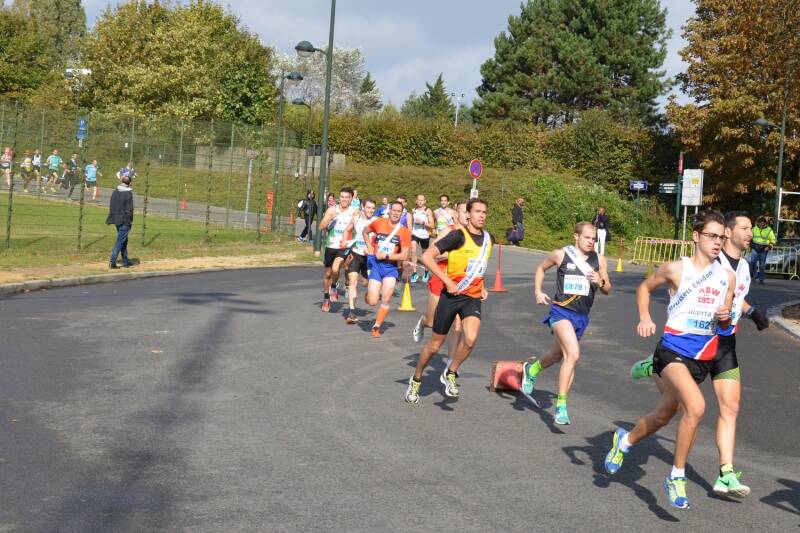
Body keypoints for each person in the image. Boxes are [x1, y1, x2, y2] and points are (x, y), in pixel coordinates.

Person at [629, 210, 771, 499]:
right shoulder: (703, 263)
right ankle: (655, 366)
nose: (750, 233)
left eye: (751, 229)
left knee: (730, 407)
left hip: (723, 345)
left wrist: (750, 312)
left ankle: (725, 473)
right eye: (745, 228)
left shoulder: (740, 269)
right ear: (728, 232)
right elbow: (656, 290)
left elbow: (734, 301)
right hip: (687, 346)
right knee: (683, 409)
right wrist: (645, 317)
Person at [603, 210, 736, 510]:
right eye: (712, 236)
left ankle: (623, 441)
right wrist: (644, 317)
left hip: (702, 357)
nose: (718, 243)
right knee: (697, 407)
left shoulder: (726, 277)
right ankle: (676, 476)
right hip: (672, 350)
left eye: (721, 238)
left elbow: (725, 325)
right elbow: (644, 289)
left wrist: (725, 319)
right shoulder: (676, 269)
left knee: (663, 416)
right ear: (696, 236)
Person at [522, 221, 612, 424]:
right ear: (576, 237)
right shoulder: (561, 254)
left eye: (594, 238)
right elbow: (540, 269)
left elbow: (608, 289)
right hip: (561, 312)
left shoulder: (599, 260)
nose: (591, 242)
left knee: (556, 355)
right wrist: (538, 291)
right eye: (587, 237)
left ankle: (531, 370)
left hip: (582, 317)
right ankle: (561, 406)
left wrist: (600, 281)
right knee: (573, 355)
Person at [405, 198, 493, 403]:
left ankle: (451, 372)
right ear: (468, 214)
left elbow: (477, 267)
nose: (481, 215)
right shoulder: (456, 236)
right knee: (435, 346)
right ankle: (416, 378)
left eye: (484, 212)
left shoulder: (489, 238)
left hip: (471, 297)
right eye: (477, 211)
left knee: (470, 339)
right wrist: (447, 281)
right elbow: (427, 256)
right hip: (451, 296)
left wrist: (483, 286)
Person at [413, 201, 468, 367]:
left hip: (458, 281)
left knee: (457, 323)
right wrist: (450, 255)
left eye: (468, 212)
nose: (467, 215)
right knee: (432, 322)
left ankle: (451, 364)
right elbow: (431, 255)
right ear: (455, 214)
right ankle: (422, 322)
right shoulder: (447, 231)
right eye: (464, 212)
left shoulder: (470, 236)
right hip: (440, 277)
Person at [362, 201, 411, 337]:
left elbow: (405, 254)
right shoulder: (379, 222)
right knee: (372, 301)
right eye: (393, 210)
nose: (395, 213)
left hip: (390, 267)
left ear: (402, 214)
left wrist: (388, 255)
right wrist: (371, 248)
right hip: (376, 265)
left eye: (398, 211)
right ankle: (369, 295)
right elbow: (365, 232)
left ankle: (377, 326)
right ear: (389, 211)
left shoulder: (404, 232)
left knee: (387, 297)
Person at [318, 187, 356, 312]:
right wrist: (330, 218)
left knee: (336, 268)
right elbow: (321, 227)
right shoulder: (332, 210)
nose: (344, 199)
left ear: (351, 198)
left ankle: (334, 286)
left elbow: (361, 228)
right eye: (342, 197)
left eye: (347, 197)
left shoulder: (355, 212)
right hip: (331, 245)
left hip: (344, 246)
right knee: (328, 273)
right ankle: (326, 297)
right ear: (339, 198)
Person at [343, 199, 377, 324]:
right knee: (353, 281)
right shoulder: (356, 218)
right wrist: (344, 241)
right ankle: (351, 312)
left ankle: (369, 292)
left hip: (369, 257)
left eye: (373, 208)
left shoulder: (376, 222)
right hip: (356, 253)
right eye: (368, 208)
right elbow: (347, 230)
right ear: (363, 207)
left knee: (367, 284)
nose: (370, 210)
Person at [106, 175, 135, 269]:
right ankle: (112, 262)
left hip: (116, 219)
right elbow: (129, 209)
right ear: (130, 183)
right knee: (120, 241)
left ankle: (125, 260)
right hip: (124, 220)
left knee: (124, 240)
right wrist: (129, 221)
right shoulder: (128, 193)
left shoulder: (115, 191)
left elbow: (112, 205)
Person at [410, 194, 434, 283]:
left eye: (422, 200)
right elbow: (411, 222)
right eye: (418, 200)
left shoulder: (428, 211)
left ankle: (426, 272)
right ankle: (414, 272)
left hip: (425, 235)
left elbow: (432, 225)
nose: (420, 202)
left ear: (425, 201)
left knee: (425, 255)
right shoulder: (414, 211)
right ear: (416, 201)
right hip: (415, 233)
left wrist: (422, 222)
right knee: (413, 251)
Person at [749, 216, 775, 284]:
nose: (761, 224)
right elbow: (749, 237)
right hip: (755, 248)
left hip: (764, 249)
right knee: (752, 263)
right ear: (758, 223)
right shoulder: (754, 229)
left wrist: (769, 246)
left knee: (762, 265)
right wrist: (750, 244)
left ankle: (761, 279)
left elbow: (773, 239)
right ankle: (754, 275)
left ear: (765, 223)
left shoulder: (769, 230)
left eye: (763, 223)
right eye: (760, 222)